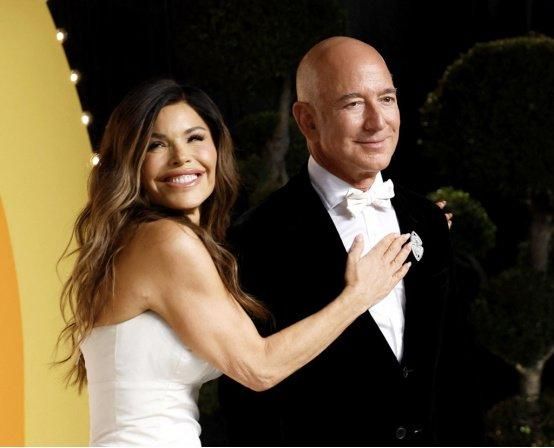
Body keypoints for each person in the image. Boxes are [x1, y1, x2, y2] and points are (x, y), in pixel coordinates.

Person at [56, 79, 415, 446]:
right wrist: (358, 296)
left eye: (195, 138)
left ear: (216, 147)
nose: (181, 157)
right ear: (131, 161)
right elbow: (260, 367)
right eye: (156, 145)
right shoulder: (166, 242)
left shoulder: (143, 241)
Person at [219, 36, 480, 445]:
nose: (377, 122)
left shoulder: (427, 218)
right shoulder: (256, 236)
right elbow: (246, 403)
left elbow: (453, 362)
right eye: (353, 104)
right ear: (307, 120)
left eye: (387, 99)